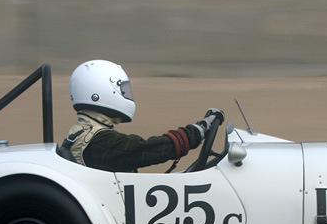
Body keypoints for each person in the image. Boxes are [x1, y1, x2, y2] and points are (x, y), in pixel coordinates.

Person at [59, 60, 223, 173]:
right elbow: (148, 149)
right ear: (100, 90)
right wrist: (198, 131)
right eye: (123, 90)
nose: (126, 94)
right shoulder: (100, 142)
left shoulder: (82, 133)